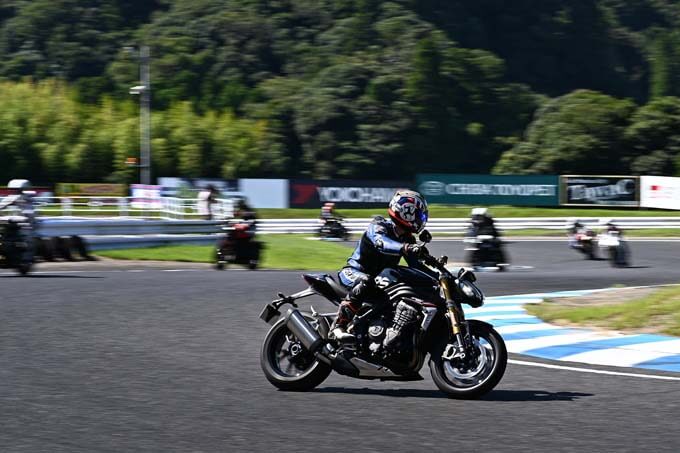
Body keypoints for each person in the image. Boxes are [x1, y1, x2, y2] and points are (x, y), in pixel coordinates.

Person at [330, 189, 430, 342]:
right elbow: (381, 243)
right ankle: (338, 326)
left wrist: (443, 278)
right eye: (420, 214)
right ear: (406, 211)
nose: (422, 219)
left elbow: (417, 267)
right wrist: (405, 248)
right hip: (354, 272)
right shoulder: (379, 224)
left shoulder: (407, 238)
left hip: (379, 280)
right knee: (366, 281)